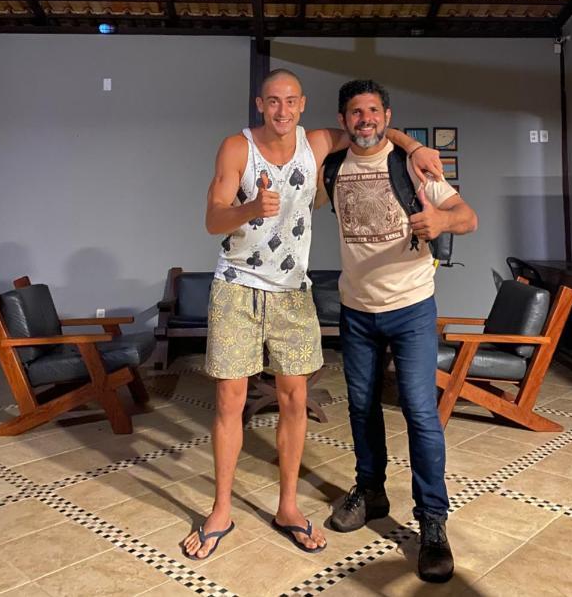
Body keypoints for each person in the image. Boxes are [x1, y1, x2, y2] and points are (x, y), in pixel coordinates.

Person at [183, 69, 443, 559]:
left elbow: (372, 130)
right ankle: (221, 510)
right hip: (237, 287)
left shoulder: (319, 142)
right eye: (273, 101)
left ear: (302, 105)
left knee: (294, 400)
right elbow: (212, 218)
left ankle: (288, 508)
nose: (282, 110)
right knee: (229, 402)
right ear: (260, 105)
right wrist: (249, 208)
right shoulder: (236, 148)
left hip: (293, 293)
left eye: (291, 101)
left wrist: (414, 147)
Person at [321, 79, 478, 584]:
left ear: (387, 115)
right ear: (343, 119)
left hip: (411, 308)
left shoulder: (413, 165)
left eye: (373, 110)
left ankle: (432, 520)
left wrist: (441, 222)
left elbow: (468, 217)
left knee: (420, 412)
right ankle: (370, 492)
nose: (365, 119)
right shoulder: (332, 167)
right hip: (356, 310)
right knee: (361, 407)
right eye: (355, 112)